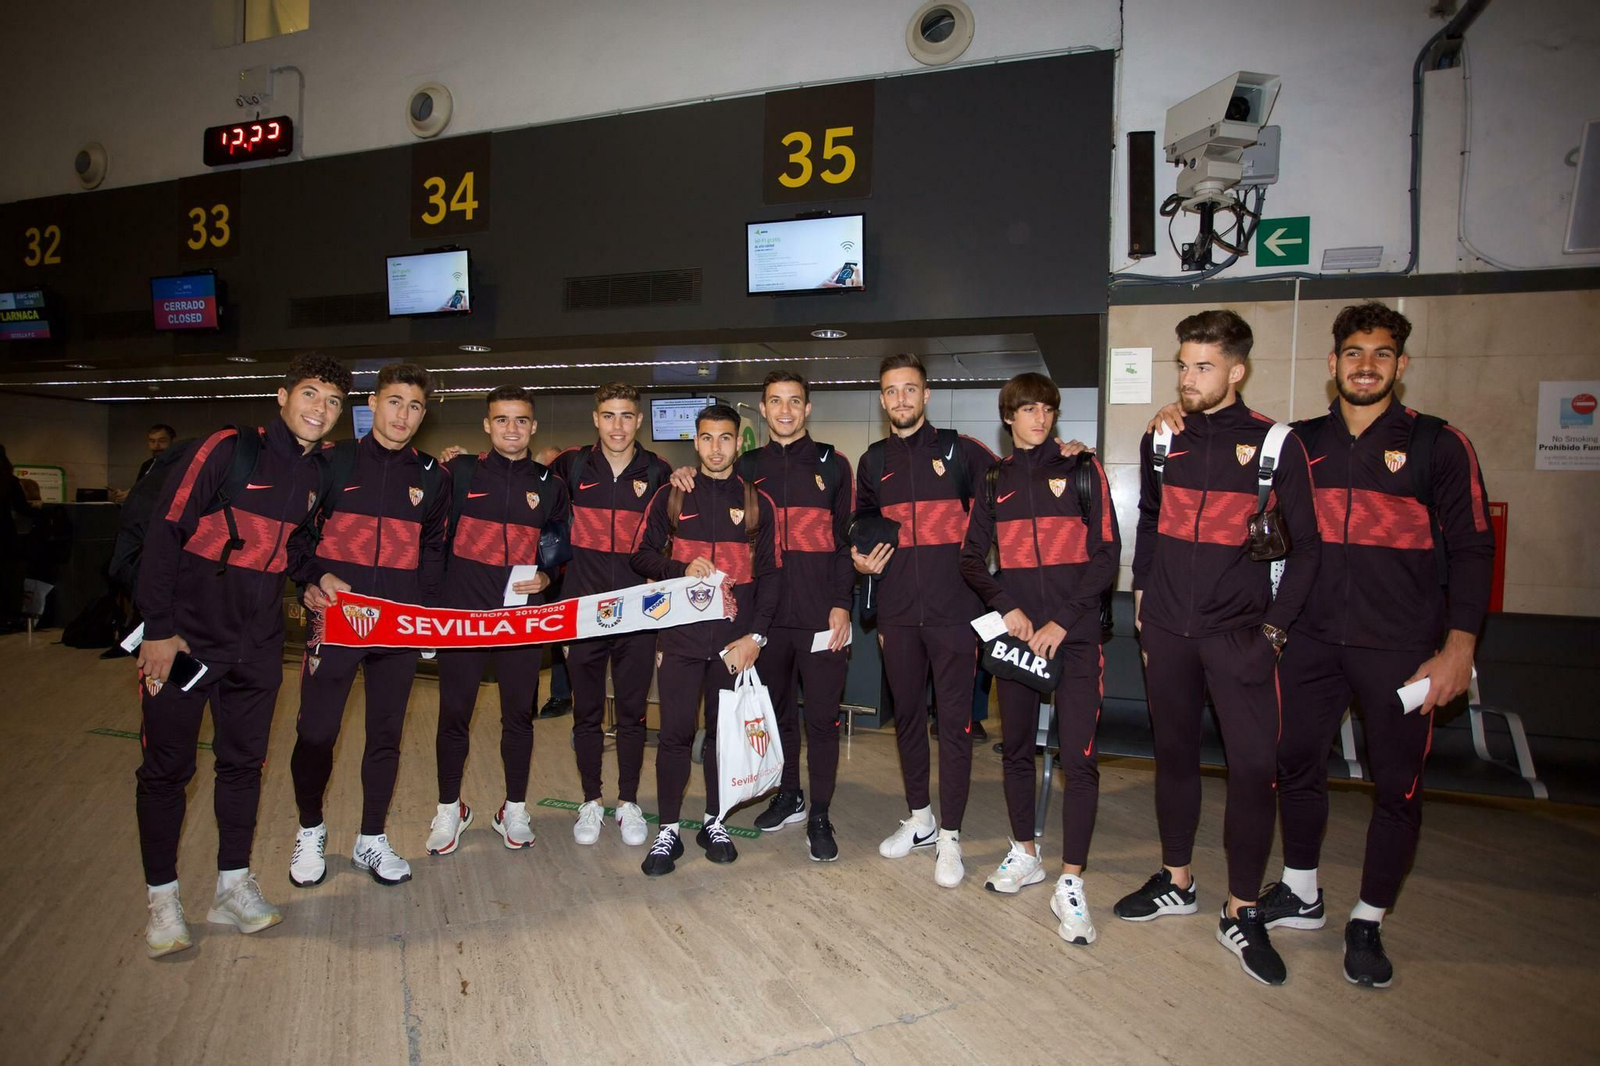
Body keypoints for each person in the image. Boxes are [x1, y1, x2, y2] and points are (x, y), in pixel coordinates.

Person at [1147, 301, 1494, 988]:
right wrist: (1176, 406)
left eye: (1382, 354)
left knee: (1397, 787)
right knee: (1293, 769)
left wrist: (1459, 648)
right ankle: (1301, 891)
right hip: (1306, 645)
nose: (1367, 366)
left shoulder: (1438, 445)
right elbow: (1225, 432)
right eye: (1354, 354)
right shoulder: (1299, 443)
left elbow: (1475, 550)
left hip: (1399, 648)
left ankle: (1368, 918)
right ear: (1332, 365)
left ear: (1400, 364)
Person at [1117, 310, 1321, 986]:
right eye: (1183, 365)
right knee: (1173, 758)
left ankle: (1242, 908)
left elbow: (1308, 551)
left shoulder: (1275, 446)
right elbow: (1149, 519)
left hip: (1240, 637)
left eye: (1202, 366)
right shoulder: (1161, 440)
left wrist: (1272, 633)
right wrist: (1143, 598)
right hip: (1169, 632)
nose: (1188, 377)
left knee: (1252, 770)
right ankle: (1177, 880)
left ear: (1237, 370)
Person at [132, 353, 350, 958]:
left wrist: (317, 577)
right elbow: (164, 532)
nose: (319, 410)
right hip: (184, 639)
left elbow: (296, 546)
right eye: (310, 395)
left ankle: (233, 885)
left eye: (332, 402)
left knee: (242, 765)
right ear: (282, 396)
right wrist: (158, 630)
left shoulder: (318, 474)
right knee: (167, 770)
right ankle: (162, 898)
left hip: (257, 648)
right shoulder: (230, 449)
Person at [959, 372, 1119, 945]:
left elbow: (1107, 556)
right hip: (1017, 641)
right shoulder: (994, 480)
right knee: (1017, 752)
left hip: (1074, 639)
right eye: (1027, 410)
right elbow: (971, 559)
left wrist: (1063, 620)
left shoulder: (1081, 469)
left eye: (1047, 409)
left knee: (1079, 760)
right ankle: (1024, 851)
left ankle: (1071, 880)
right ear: (1009, 417)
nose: (1039, 419)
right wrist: (1006, 607)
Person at [669, 370, 853, 860]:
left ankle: (820, 815)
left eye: (795, 401)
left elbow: (844, 544)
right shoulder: (744, 466)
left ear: (808, 408)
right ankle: (789, 793)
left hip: (819, 617)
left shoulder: (834, 465)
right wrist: (680, 474)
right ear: (764, 410)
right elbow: (704, 490)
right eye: (776, 402)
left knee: (821, 719)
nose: (786, 410)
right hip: (762, 621)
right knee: (775, 717)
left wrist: (842, 603)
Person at [286, 363, 450, 889]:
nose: (404, 415)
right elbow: (294, 539)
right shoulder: (331, 463)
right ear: (374, 403)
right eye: (395, 401)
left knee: (386, 734)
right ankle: (310, 829)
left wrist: (424, 616)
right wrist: (310, 578)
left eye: (416, 406)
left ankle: (371, 837)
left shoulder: (432, 477)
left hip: (397, 628)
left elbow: (432, 554)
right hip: (336, 623)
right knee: (316, 733)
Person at [854, 352, 998, 888]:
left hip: (955, 614)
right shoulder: (872, 462)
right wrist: (858, 557)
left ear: (927, 394)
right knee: (908, 719)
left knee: (954, 726)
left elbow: (1018, 483)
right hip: (896, 615)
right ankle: (920, 820)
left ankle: (952, 837)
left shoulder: (964, 452)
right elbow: (861, 528)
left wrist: (1070, 453)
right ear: (883, 398)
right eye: (891, 391)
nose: (900, 400)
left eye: (909, 390)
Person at [631, 404, 778, 876]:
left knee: (721, 737)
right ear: (695, 443)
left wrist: (756, 636)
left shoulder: (759, 502)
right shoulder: (670, 497)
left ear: (740, 443)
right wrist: (679, 568)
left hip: (733, 646)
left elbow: (773, 579)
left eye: (726, 438)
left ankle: (714, 821)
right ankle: (668, 829)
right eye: (707, 438)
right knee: (674, 734)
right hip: (678, 639)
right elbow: (641, 558)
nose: (716, 447)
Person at [426, 388, 569, 857]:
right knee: (454, 716)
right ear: (487, 425)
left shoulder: (550, 483)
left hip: (520, 621)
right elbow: (429, 537)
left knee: (518, 718)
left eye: (522, 421)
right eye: (502, 420)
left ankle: (514, 807)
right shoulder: (460, 472)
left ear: (533, 427)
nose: (513, 428)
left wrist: (547, 574)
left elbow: (560, 547)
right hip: (463, 618)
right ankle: (449, 808)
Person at [548, 384, 673, 847]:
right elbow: (536, 511)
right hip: (582, 614)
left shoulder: (659, 472)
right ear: (595, 419)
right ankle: (590, 801)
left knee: (633, 713)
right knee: (586, 712)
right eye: (608, 415)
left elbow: (674, 540)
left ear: (638, 421)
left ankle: (627, 802)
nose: (617, 425)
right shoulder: (571, 466)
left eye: (626, 416)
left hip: (638, 616)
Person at [533, 445, 574, 719]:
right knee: (530, 640)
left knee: (561, 638)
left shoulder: (566, 497)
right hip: (529, 576)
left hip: (562, 576)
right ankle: (526, 700)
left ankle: (561, 695)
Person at [112, 424, 177, 503]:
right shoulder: (147, 465)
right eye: (152, 441)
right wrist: (125, 495)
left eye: (162, 441)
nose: (156, 446)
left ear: (173, 441)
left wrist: (135, 496)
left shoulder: (179, 464)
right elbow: (140, 489)